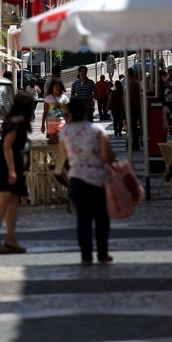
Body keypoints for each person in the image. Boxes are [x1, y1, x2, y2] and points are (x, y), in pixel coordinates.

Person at [59, 96, 116, 266]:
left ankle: (86, 256)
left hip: (77, 178)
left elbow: (65, 155)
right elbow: (107, 156)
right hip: (98, 180)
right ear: (85, 111)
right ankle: (103, 253)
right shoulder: (98, 130)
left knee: (82, 219)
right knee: (101, 218)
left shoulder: (65, 132)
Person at [0, 91, 35, 255]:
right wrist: (12, 170)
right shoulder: (16, 123)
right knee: (3, 201)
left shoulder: (14, 121)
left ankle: (11, 239)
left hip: (10, 163)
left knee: (14, 201)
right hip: (6, 165)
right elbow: (7, 146)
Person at [126, 68, 143, 150]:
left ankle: (135, 143)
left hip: (133, 107)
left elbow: (130, 96)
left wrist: (127, 104)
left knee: (133, 126)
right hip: (134, 107)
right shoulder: (132, 82)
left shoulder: (132, 83)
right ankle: (135, 142)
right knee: (133, 126)